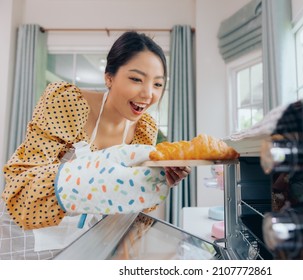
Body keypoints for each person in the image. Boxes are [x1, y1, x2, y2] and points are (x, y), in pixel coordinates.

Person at [0, 31, 191, 259]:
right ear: (109, 77)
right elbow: (23, 185)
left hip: (85, 239)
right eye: (136, 79)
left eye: (158, 84)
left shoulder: (144, 128)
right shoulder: (67, 102)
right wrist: (87, 179)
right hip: (26, 232)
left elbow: (131, 202)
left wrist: (156, 181)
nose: (148, 94)